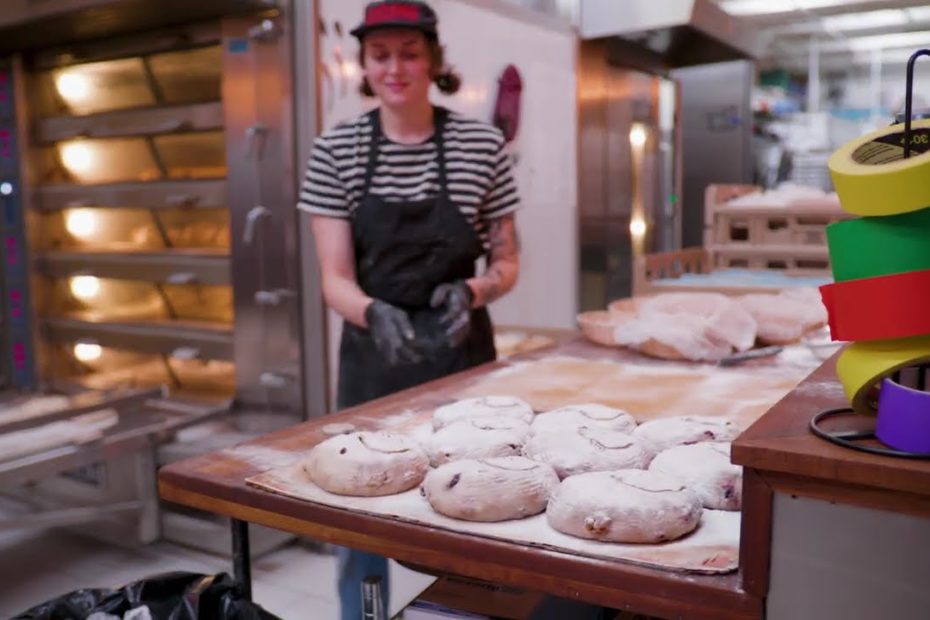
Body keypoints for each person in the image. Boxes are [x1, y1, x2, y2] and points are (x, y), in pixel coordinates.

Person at [298, 2, 521, 617]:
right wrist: (374, 313)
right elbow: (333, 279)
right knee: (363, 513)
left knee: (470, 505)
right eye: (380, 54)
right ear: (364, 66)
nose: (395, 67)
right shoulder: (335, 150)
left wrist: (473, 292)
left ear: (434, 60)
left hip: (463, 361)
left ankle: (470, 609)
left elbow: (507, 262)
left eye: (409, 52)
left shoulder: (482, 146)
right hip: (375, 363)